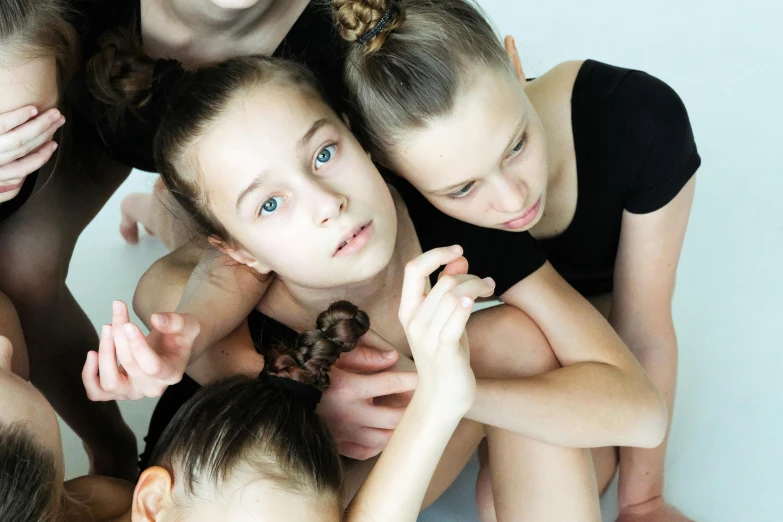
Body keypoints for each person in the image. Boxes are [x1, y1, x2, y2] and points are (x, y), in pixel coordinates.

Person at [85, 53, 667, 517]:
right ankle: (157, 206)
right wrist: (209, 352)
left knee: (519, 341)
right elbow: (159, 288)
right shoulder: (233, 288)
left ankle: (167, 207)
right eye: (269, 203)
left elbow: (641, 412)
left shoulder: (451, 221)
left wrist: (450, 391)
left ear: (362, 139)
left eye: (325, 153)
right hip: (270, 499)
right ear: (239, 252)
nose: (328, 204)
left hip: (385, 461)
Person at [330, 1, 700, 520]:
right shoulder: (413, 205)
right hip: (532, 344)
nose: (511, 201)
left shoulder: (637, 120)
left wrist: (644, 502)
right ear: (389, 168)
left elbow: (644, 329)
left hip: (600, 344)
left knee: (522, 489)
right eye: (462, 188)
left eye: (516, 145)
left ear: (513, 59)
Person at [0, 0, 369, 479]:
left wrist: (287, 383)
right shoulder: (49, 54)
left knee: (258, 236)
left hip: (244, 186)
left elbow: (245, 255)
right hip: (106, 118)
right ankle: (111, 447)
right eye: (17, 134)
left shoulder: (350, 36)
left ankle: (168, 209)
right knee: (23, 267)